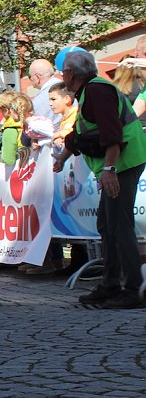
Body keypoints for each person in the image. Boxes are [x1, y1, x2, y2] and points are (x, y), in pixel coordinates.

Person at [53, 50, 146, 309]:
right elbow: (83, 132)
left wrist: (110, 170)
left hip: (124, 163)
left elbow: (112, 133)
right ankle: (110, 284)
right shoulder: (91, 91)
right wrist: (63, 156)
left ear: (70, 74)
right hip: (121, 162)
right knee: (107, 224)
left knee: (119, 224)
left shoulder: (97, 91)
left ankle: (132, 289)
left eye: (63, 72)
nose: (63, 76)